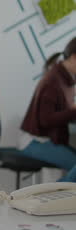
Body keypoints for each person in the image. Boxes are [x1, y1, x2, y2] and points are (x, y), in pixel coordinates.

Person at [20, 37, 76, 182]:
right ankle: (49, 197)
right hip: (36, 142)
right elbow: (45, 120)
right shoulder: (53, 80)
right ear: (74, 57)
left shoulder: (66, 79)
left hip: (47, 140)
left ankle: (52, 197)